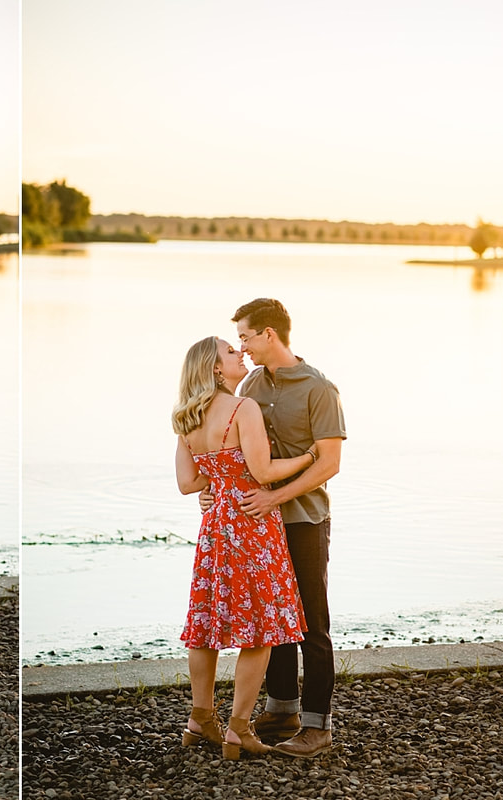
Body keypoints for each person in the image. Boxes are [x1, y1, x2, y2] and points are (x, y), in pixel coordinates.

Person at [202, 297, 346, 758]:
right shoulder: (248, 384)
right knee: (269, 618)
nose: (241, 346)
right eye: (237, 340)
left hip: (303, 520)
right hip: (254, 526)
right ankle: (281, 706)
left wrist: (274, 497)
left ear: (269, 334)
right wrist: (214, 490)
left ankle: (317, 727)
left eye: (245, 336)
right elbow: (237, 454)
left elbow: (329, 464)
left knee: (311, 622)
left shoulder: (319, 388)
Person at [174, 335, 313, 760]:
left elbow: (187, 483)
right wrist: (311, 458)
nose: (239, 354)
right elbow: (263, 471)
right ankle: (237, 728)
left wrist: (216, 483)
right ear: (216, 369)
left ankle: (200, 719)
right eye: (231, 353)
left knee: (207, 623)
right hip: (252, 524)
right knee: (261, 626)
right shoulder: (242, 408)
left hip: (215, 528)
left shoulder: (186, 416)